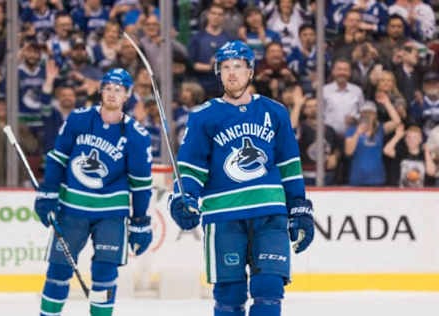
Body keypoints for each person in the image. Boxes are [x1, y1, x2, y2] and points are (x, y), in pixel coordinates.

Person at [168, 40, 314, 316]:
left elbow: (289, 167)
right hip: (224, 217)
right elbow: (190, 168)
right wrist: (184, 196)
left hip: (270, 214)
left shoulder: (275, 112)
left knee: (269, 288)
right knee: (229, 295)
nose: (232, 73)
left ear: (250, 72)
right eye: (225, 67)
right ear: (218, 73)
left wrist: (299, 208)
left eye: (238, 66)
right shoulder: (203, 116)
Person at [34, 68, 153, 316]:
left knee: (104, 273)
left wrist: (140, 220)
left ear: (127, 95)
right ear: (100, 91)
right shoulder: (78, 119)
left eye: (118, 90)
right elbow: (58, 158)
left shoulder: (137, 136)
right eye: (107, 88)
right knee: (58, 269)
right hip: (72, 208)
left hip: (111, 214)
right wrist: (48, 193)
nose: (111, 93)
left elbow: (141, 183)